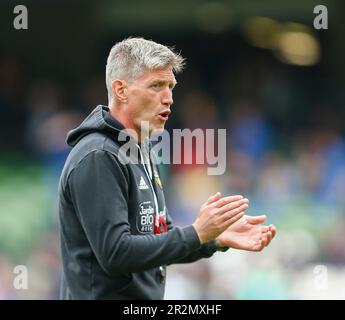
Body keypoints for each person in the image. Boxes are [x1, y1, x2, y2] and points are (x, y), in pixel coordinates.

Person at [58, 37, 276, 300]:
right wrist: (196, 233)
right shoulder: (99, 156)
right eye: (156, 86)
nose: (169, 98)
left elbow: (160, 237)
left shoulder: (141, 148)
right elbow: (116, 253)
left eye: (171, 86)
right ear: (121, 90)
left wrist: (212, 239)